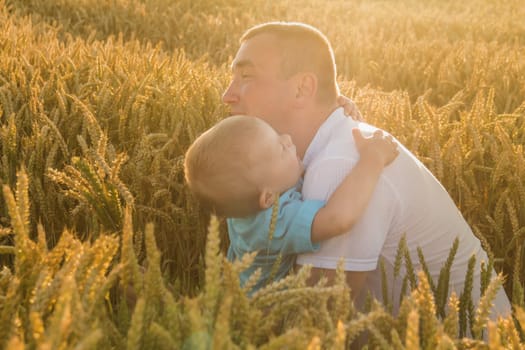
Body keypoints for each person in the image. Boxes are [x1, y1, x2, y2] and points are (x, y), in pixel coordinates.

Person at [221, 21, 511, 316]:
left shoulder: (341, 165)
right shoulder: (330, 147)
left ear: (302, 88)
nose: (227, 95)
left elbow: (314, 324)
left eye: (246, 76)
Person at [184, 115, 398, 293]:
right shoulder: (273, 223)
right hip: (265, 318)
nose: (287, 138)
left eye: (277, 134)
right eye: (280, 148)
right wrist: (373, 158)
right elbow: (337, 218)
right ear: (268, 198)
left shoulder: (245, 202)